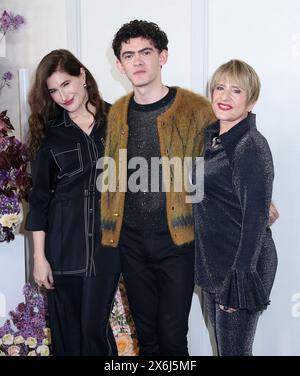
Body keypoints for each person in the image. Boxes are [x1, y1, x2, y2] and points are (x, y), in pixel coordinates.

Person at [100, 20, 215, 356]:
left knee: (173, 337)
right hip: (131, 243)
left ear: (162, 56)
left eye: (145, 52)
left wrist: (257, 200)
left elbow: (221, 164)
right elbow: (110, 174)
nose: (137, 61)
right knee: (147, 338)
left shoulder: (196, 109)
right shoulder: (118, 111)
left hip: (177, 241)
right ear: (119, 65)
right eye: (129, 55)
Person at [25, 49, 120, 356]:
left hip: (106, 248)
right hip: (64, 247)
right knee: (66, 334)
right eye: (53, 90)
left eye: (66, 84)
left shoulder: (117, 119)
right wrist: (39, 259)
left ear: (82, 75)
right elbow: (39, 201)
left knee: (94, 331)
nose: (62, 95)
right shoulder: (50, 135)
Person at [192, 59, 278, 356]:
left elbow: (255, 222)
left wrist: (238, 280)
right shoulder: (212, 139)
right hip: (214, 264)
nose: (224, 97)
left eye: (236, 91)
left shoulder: (250, 145)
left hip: (241, 267)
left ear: (251, 100)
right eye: (219, 88)